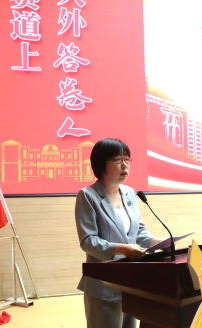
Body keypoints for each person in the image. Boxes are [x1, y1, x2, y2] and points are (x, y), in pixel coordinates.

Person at [75, 138, 165, 328]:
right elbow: (88, 241)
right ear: (101, 163)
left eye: (127, 159)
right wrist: (124, 249)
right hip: (103, 283)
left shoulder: (130, 193)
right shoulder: (88, 196)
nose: (124, 165)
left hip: (130, 282)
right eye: (117, 159)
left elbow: (138, 231)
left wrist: (157, 242)